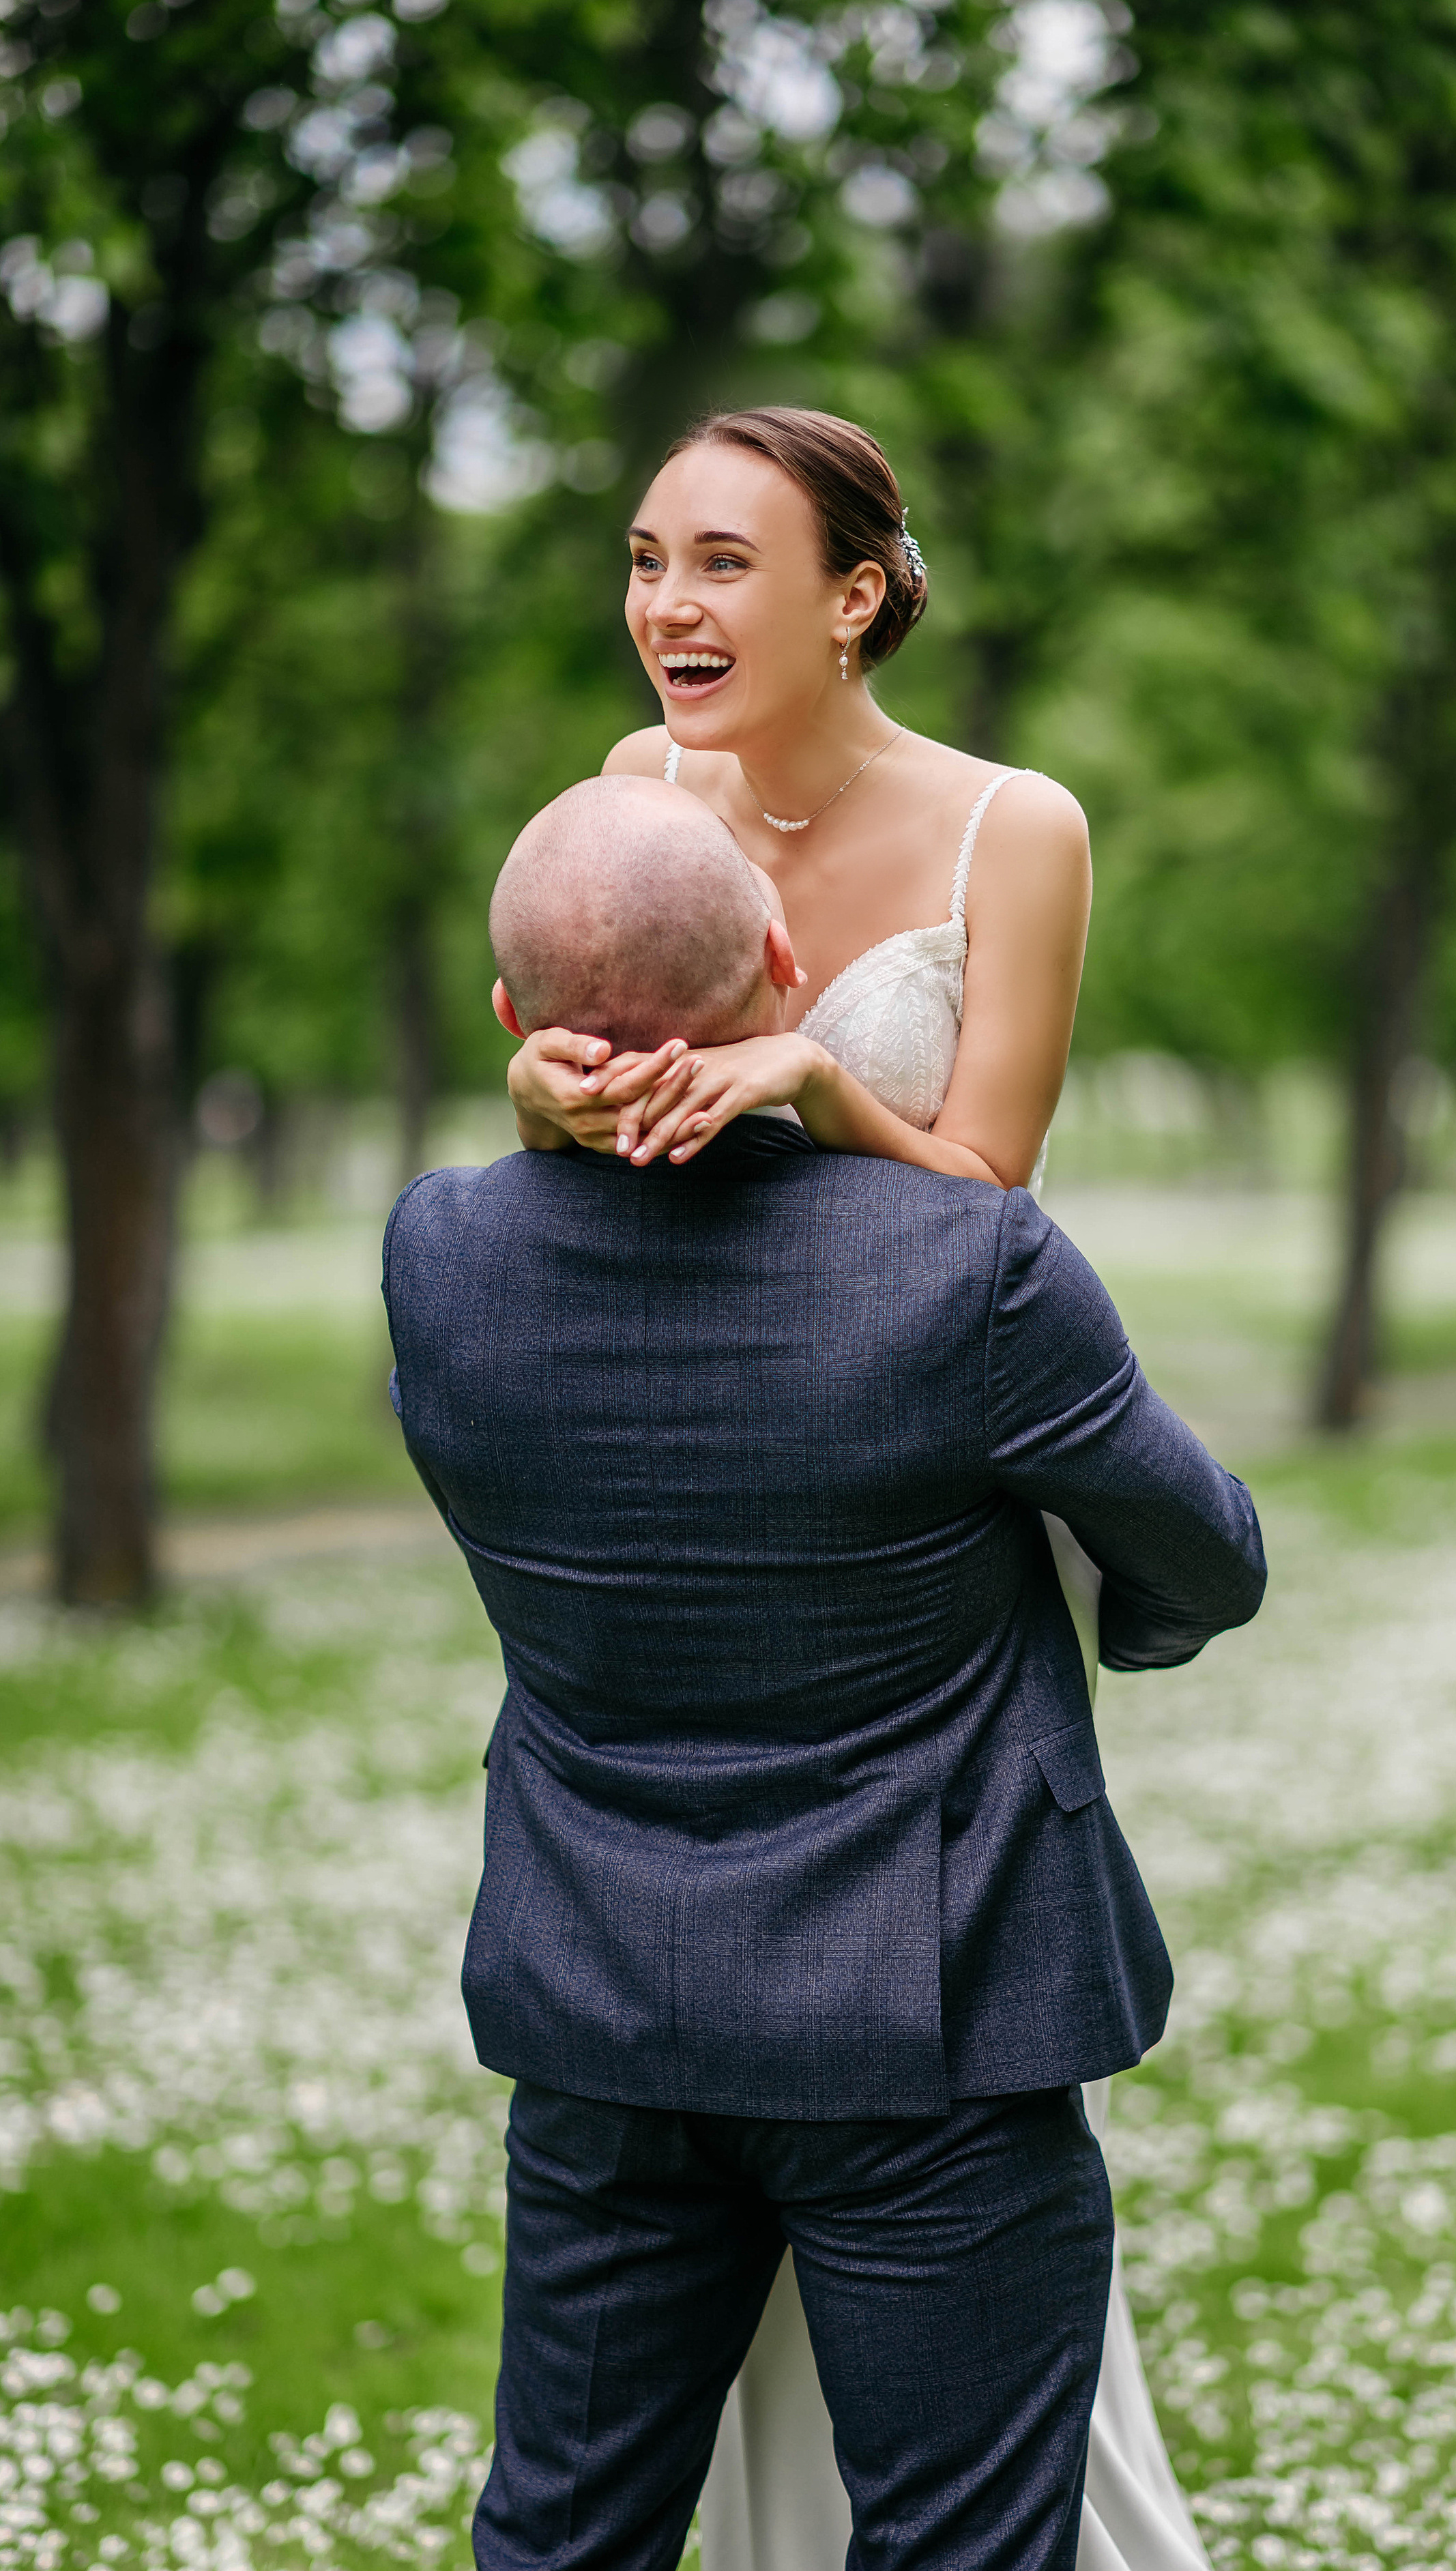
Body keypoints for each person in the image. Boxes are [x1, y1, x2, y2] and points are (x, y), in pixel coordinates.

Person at [385, 776, 1266, 2571]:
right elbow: (1207, 1555)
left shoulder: (443, 1260)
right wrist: (1104, 1628)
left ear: (517, 1031)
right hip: (941, 2018)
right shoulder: (971, 1270)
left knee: (559, 2539)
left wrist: (539, 1107)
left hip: (606, 2017)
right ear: (788, 962)